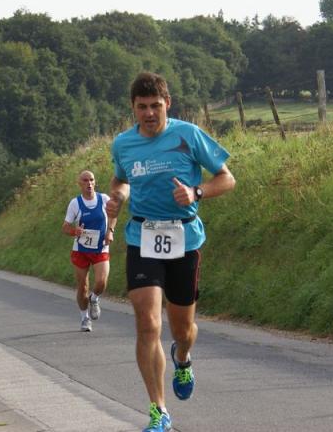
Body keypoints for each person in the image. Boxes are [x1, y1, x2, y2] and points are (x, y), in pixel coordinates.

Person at [105, 72, 235, 432]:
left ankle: (183, 356)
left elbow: (227, 178)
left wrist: (197, 192)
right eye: (142, 107)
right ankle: (158, 410)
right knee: (148, 323)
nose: (149, 113)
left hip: (184, 238)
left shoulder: (188, 135)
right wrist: (118, 197)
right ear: (133, 108)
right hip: (142, 236)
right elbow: (121, 180)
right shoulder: (123, 144)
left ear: (168, 104)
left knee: (182, 329)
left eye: (155, 106)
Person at [62, 170, 117, 332]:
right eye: (85, 180)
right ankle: (85, 318)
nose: (89, 183)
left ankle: (95, 298)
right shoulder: (75, 203)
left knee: (101, 282)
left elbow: (113, 215)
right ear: (80, 184)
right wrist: (75, 231)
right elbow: (65, 227)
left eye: (91, 180)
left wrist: (110, 231)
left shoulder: (104, 199)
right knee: (83, 287)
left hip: (100, 248)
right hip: (81, 250)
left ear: (95, 182)